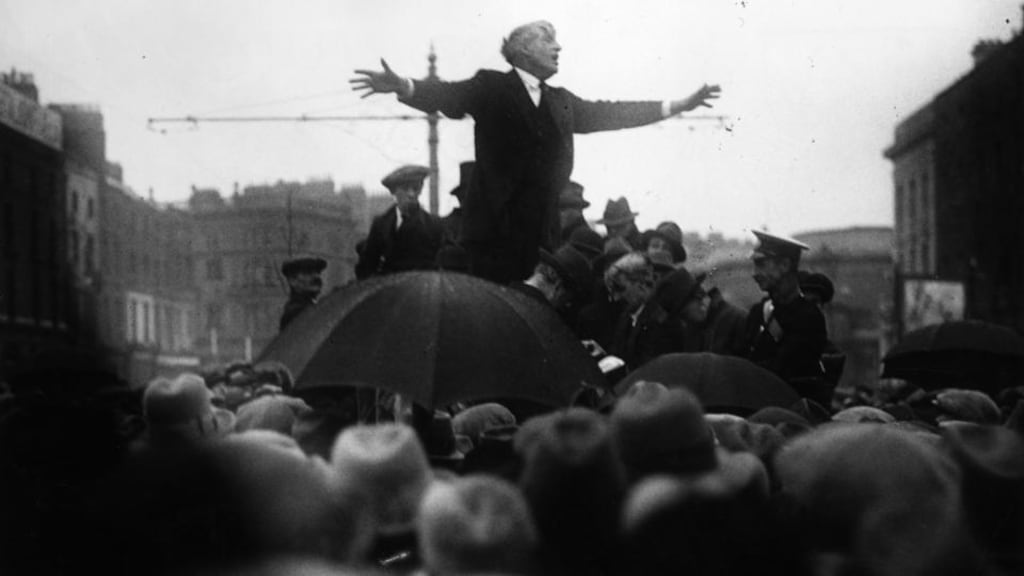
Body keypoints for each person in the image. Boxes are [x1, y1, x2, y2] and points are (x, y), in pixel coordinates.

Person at [351, 20, 720, 284]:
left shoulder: (560, 102)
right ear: (523, 49)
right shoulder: (492, 86)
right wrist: (404, 85)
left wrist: (678, 105)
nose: (558, 47)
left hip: (542, 237)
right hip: (493, 239)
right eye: (548, 40)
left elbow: (611, 112)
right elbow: (450, 95)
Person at [743, 231, 829, 405]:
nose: (754, 273)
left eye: (761, 264)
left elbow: (788, 369)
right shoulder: (758, 312)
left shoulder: (809, 317)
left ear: (784, 265)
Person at [355, 165, 445, 279]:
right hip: (390, 291)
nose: (411, 194)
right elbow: (366, 266)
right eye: (405, 189)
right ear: (393, 191)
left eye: (416, 188)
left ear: (421, 190)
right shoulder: (380, 224)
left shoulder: (434, 225)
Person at [279, 256, 327, 331]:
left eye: (318, 272)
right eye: (308, 272)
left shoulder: (312, 306)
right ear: (292, 281)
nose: (316, 276)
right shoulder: (297, 313)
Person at [558, 180, 590, 246]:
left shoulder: (583, 237)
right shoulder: (559, 233)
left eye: (563, 209)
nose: (559, 214)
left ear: (578, 211)